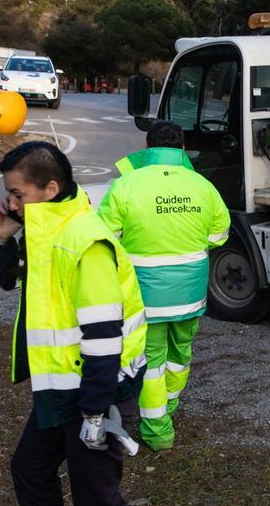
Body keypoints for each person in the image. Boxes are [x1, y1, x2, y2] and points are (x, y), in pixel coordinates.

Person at [0, 140, 160, 506]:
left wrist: (94, 413)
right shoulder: (44, 234)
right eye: (9, 195)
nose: (10, 204)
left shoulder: (85, 240)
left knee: (96, 498)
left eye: (17, 195)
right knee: (30, 468)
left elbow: (104, 337)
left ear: (50, 188)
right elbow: (11, 281)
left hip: (95, 394)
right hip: (61, 391)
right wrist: (2, 239)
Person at [98, 122, 230, 451]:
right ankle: (169, 405)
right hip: (191, 291)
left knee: (151, 361)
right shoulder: (202, 185)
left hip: (146, 294)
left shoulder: (126, 185)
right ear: (182, 147)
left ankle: (158, 430)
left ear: (147, 146)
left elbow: (104, 237)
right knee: (181, 353)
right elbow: (219, 234)